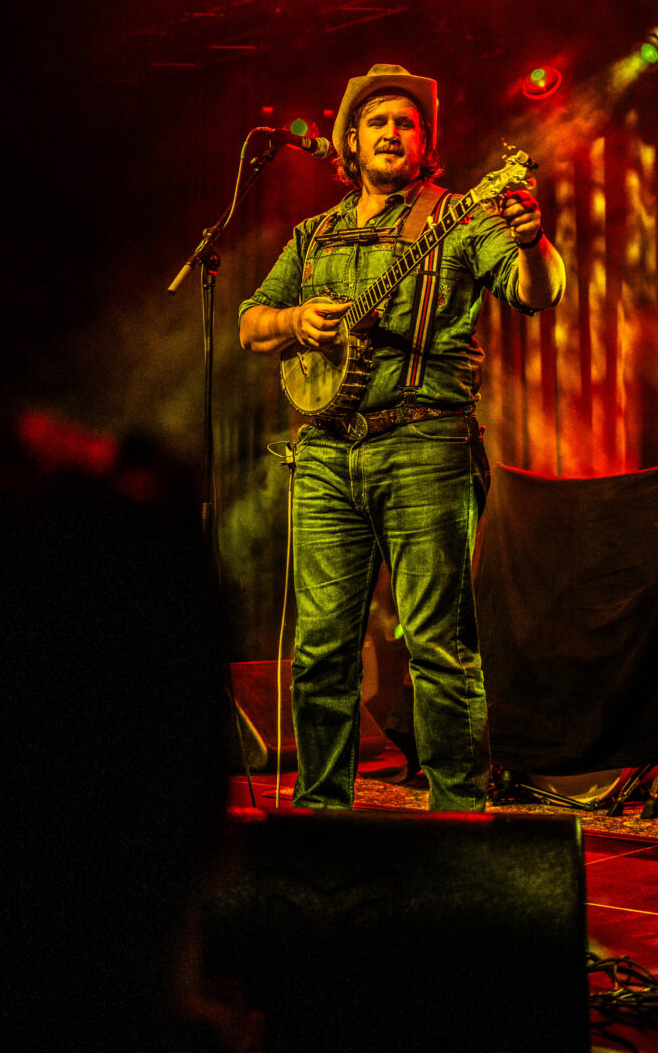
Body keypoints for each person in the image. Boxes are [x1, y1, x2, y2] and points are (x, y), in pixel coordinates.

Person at [238, 63, 565, 811]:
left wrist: (535, 239)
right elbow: (253, 321)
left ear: (425, 145)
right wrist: (293, 322)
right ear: (349, 142)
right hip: (322, 453)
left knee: (438, 649)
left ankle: (459, 821)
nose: (392, 132)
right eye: (377, 121)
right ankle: (321, 818)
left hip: (425, 444)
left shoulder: (463, 219)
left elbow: (536, 294)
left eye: (406, 123)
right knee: (320, 652)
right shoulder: (313, 234)